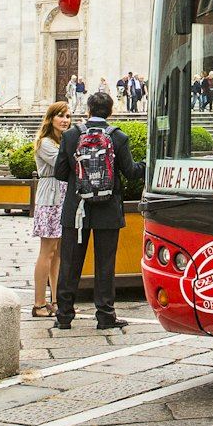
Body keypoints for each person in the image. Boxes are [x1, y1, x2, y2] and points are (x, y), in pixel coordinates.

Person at [53, 90, 143, 330]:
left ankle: (64, 316)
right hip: (108, 209)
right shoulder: (118, 137)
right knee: (105, 263)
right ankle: (105, 315)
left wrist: (81, 179)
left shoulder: (71, 135)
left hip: (77, 208)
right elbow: (132, 172)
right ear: (110, 112)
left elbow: (60, 172)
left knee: (70, 262)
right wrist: (148, 163)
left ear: (88, 111)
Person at [31, 101, 72, 318]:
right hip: (50, 198)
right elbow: (62, 163)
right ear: (51, 118)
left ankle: (56, 300)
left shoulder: (62, 140)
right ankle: (39, 303)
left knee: (58, 254)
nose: (65, 120)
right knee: (47, 252)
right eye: (61, 116)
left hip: (63, 197)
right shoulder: (45, 142)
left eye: (67, 116)